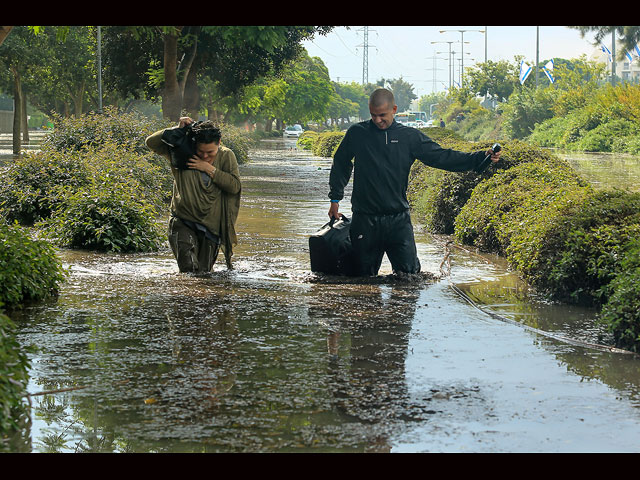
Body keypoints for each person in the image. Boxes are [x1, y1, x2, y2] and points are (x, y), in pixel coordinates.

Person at [328, 88, 501, 277]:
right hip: (365, 219)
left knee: (410, 278)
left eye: (382, 115)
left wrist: (478, 158)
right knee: (360, 280)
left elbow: (441, 157)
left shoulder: (409, 137)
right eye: (373, 115)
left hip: (398, 221)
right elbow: (341, 163)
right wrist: (335, 199)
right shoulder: (357, 133)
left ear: (394, 109)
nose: (378, 120)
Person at [146, 118, 241, 273]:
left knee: (204, 273)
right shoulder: (182, 150)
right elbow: (151, 143)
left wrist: (208, 169)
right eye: (200, 152)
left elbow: (234, 186)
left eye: (210, 153)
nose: (204, 156)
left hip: (212, 227)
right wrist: (177, 129)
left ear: (219, 143)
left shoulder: (226, 156)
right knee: (188, 269)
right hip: (182, 220)